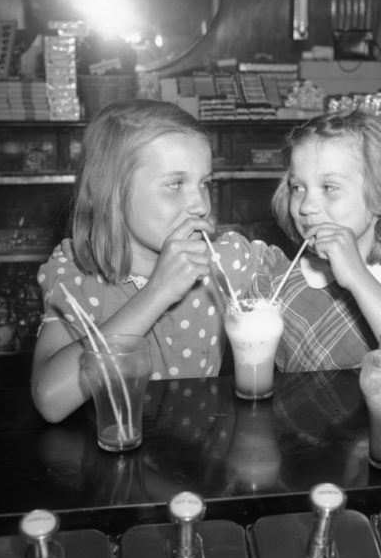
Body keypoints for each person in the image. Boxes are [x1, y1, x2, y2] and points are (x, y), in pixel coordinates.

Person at [32, 99, 287, 423]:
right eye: (175, 184)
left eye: (204, 184)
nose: (200, 205)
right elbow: (50, 400)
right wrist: (158, 293)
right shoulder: (77, 273)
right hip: (114, 447)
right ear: (110, 191)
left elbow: (304, 282)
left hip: (202, 448)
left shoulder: (225, 260)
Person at [257, 110, 381, 403]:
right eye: (298, 187)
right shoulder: (280, 279)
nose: (306, 206)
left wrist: (358, 278)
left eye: (329, 187)